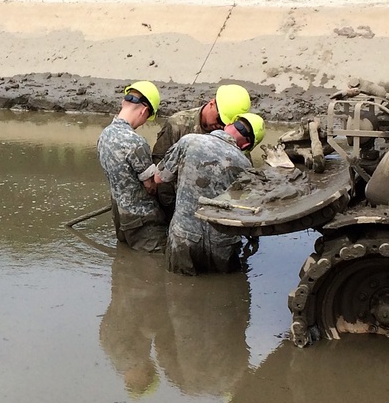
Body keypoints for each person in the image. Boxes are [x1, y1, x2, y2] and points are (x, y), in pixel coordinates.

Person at [154, 112, 264, 275]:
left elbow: (159, 178)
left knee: (176, 291)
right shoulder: (245, 163)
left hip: (184, 237)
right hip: (222, 244)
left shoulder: (189, 141)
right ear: (246, 146)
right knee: (225, 292)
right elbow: (246, 209)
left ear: (227, 125)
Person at [97, 81, 167, 253]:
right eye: (146, 118)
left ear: (123, 103)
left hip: (121, 218)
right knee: (156, 264)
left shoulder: (104, 136)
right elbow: (151, 185)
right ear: (144, 111)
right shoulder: (135, 142)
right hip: (143, 222)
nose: (143, 123)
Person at [151, 83, 251, 161]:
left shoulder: (234, 135)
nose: (222, 127)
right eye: (220, 120)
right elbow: (159, 159)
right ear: (212, 103)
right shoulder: (177, 124)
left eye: (227, 124)